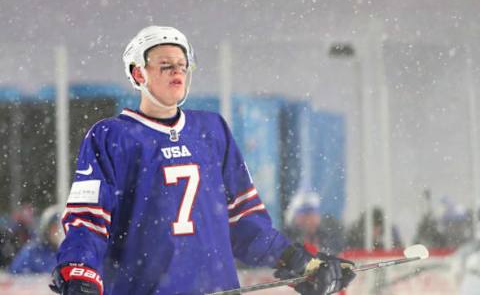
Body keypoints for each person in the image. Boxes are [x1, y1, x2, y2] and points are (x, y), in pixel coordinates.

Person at [49, 26, 356, 295]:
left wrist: (299, 262)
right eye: (166, 65)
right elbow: (88, 221)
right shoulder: (112, 136)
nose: (177, 72)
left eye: (183, 65)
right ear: (138, 73)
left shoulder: (212, 131)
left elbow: (246, 224)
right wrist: (78, 271)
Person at [8, 205, 64, 274]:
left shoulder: (73, 253)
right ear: (47, 229)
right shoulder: (32, 252)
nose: (60, 231)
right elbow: (14, 275)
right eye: (56, 227)